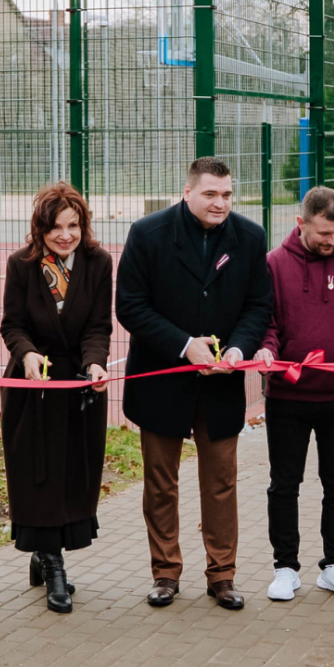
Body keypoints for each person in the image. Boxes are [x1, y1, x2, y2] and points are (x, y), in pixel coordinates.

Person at [116, 156, 273, 610]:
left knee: (221, 482)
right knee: (160, 483)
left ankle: (222, 576)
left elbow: (258, 306)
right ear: (187, 193)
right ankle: (165, 573)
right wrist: (185, 345)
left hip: (221, 384)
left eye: (227, 194)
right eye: (210, 194)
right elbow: (130, 305)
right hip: (161, 379)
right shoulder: (148, 234)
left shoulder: (250, 237)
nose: (220, 203)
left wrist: (237, 350)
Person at [253, 186, 334, 602]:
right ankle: (285, 568)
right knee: (284, 484)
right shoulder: (274, 264)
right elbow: (266, 322)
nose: (332, 240)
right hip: (287, 396)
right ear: (301, 223)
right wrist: (267, 349)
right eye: (323, 233)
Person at [0, 182, 112, 614]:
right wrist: (27, 354)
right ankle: (52, 564)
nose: (65, 235)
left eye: (73, 226)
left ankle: (46, 554)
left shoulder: (98, 263)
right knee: (38, 476)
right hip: (33, 386)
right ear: (40, 229)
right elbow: (12, 325)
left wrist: (95, 363)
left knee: (72, 474)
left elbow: (97, 326)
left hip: (79, 384)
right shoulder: (21, 265)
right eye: (55, 228)